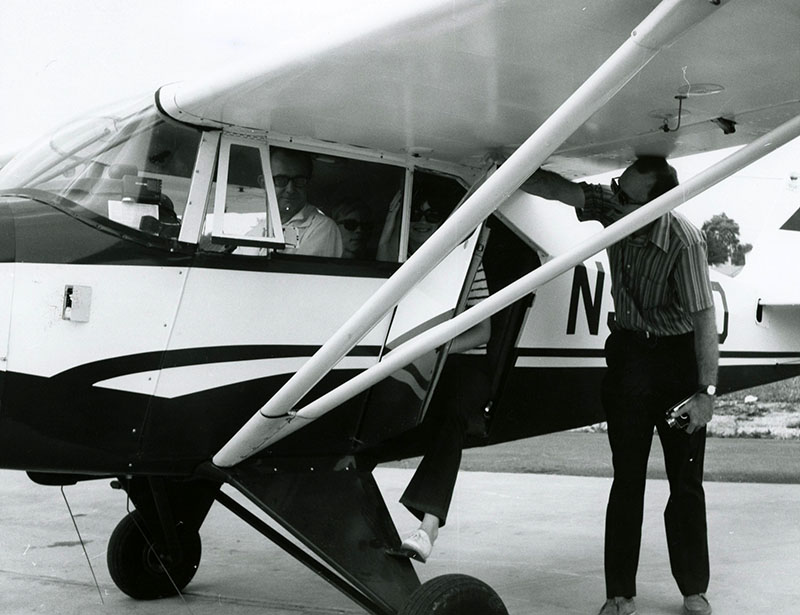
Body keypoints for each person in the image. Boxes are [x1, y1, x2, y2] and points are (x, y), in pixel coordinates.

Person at [519, 156, 718, 615]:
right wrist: (506, 171)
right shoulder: (614, 209)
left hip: (676, 361)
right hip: (629, 355)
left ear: (655, 205)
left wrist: (705, 394)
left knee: (684, 481)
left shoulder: (684, 243)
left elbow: (705, 320)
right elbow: (553, 187)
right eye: (615, 187)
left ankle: (693, 590)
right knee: (627, 478)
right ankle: (620, 595)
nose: (613, 197)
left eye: (624, 194)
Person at [384, 192, 491, 563]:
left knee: (454, 413)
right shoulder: (402, 261)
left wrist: (436, 348)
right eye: (416, 210)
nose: (425, 218)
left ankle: (428, 525)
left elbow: (483, 332)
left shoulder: (466, 262)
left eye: (434, 211)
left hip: (463, 363)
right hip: (415, 361)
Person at [243, 148, 342, 257]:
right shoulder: (257, 230)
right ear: (264, 183)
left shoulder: (322, 228)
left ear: (308, 184)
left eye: (299, 181)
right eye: (281, 180)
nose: (290, 189)